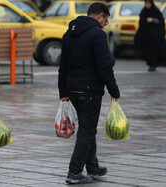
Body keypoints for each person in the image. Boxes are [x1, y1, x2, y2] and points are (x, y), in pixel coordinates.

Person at [58, 3, 120, 184]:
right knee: (86, 131)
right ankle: (74, 172)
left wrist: (63, 91)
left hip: (73, 90)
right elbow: (104, 66)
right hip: (90, 90)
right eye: (105, 21)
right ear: (101, 16)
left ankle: (93, 167)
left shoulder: (69, 33)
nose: (104, 24)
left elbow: (63, 66)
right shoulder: (97, 34)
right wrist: (114, 91)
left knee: (88, 128)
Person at [135, 0, 165, 72]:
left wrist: (153, 20)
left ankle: (153, 65)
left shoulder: (156, 11)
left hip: (155, 37)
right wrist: (146, 20)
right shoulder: (143, 11)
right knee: (147, 50)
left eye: (148, 3)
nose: (147, 5)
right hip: (146, 36)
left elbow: (161, 22)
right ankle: (150, 64)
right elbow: (141, 22)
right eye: (146, 3)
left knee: (154, 50)